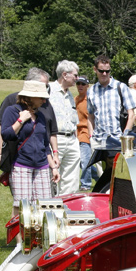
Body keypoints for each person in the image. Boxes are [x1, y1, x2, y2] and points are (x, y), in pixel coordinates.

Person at [1, 80, 59, 201]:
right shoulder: (12, 111)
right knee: (23, 208)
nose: (44, 101)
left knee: (44, 206)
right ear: (30, 97)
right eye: (41, 98)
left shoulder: (41, 115)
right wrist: (21, 120)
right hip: (21, 165)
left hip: (42, 166)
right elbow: (6, 134)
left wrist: (53, 167)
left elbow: (45, 144)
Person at [86, 55, 136, 191]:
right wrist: (91, 136)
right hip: (99, 141)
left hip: (117, 139)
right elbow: (90, 116)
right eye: (101, 70)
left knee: (120, 176)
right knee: (103, 179)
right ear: (95, 69)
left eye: (107, 71)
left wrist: (125, 136)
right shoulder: (91, 91)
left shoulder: (120, 87)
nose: (104, 74)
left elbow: (131, 114)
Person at [0, 68, 57, 173]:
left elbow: (50, 134)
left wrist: (54, 155)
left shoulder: (45, 105)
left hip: (42, 161)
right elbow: (2, 130)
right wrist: (2, 153)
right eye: (43, 86)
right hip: (20, 161)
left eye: (47, 86)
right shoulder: (11, 102)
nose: (45, 90)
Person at [49, 60, 82, 195]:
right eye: (75, 75)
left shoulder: (69, 94)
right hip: (55, 138)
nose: (77, 78)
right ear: (64, 75)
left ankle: (68, 207)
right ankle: (51, 208)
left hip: (72, 139)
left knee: (72, 178)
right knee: (53, 175)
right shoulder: (49, 90)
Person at [75, 76, 94, 190]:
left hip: (86, 133)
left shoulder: (89, 100)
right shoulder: (75, 99)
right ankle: (99, 177)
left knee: (85, 159)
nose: (80, 86)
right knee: (83, 160)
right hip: (76, 133)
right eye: (78, 83)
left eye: (83, 84)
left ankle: (86, 184)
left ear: (87, 86)